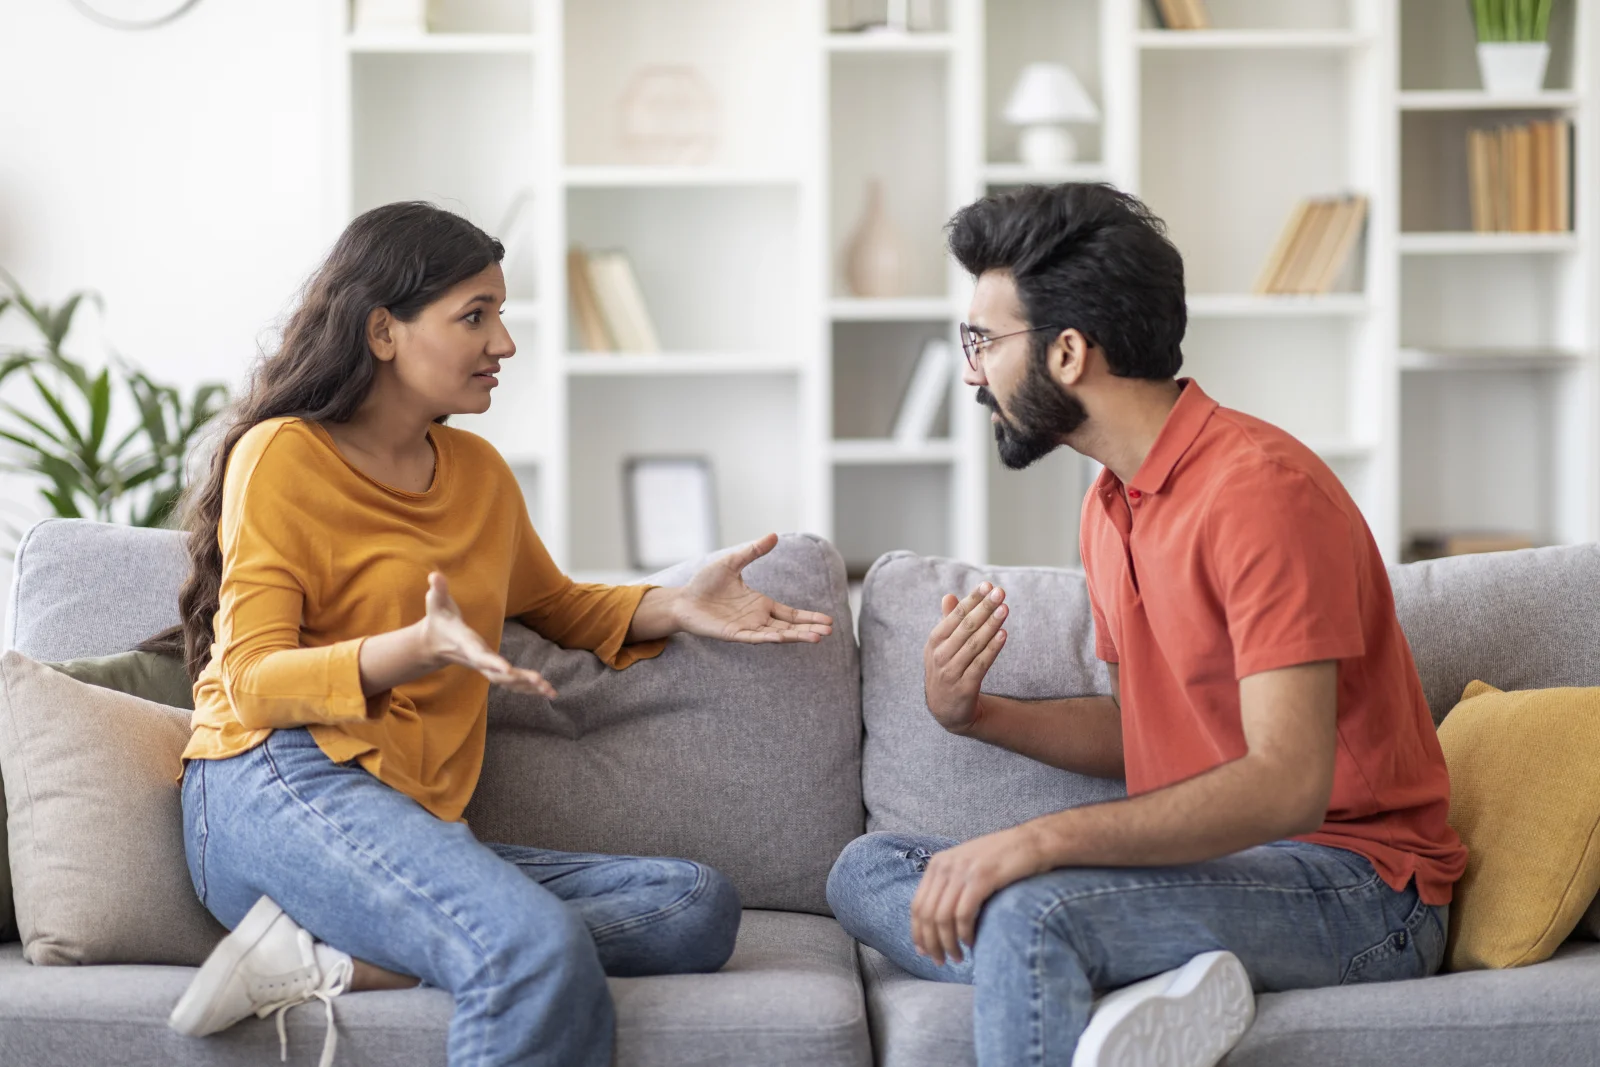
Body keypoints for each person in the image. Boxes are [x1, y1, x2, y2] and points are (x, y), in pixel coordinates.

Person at [156, 201, 834, 1067]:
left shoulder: (477, 474)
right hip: (272, 779)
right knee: (530, 949)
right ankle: (452, 939)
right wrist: (414, 646)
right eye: (474, 315)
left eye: (501, 314)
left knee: (695, 907)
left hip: (407, 814)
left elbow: (555, 603)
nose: (504, 342)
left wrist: (676, 602)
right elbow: (251, 678)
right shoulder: (285, 454)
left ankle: (339, 957)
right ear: (383, 331)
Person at [825, 183, 1466, 1067]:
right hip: (1228, 874)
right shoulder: (1110, 505)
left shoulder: (1259, 494)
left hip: (1358, 890)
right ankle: (1121, 970)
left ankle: (1069, 952)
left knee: (1032, 905)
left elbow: (1287, 785)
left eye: (983, 341)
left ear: (1068, 353)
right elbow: (1146, 733)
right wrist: (977, 715)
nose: (971, 372)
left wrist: (1037, 841)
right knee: (868, 868)